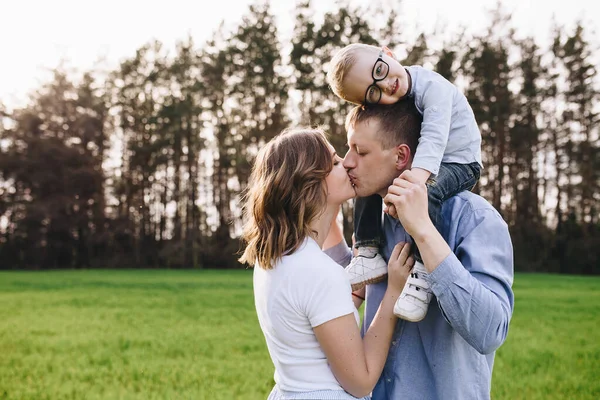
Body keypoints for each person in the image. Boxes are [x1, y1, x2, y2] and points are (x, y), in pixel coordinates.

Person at [325, 100, 514, 399]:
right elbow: (353, 286)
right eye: (348, 149)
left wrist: (424, 231)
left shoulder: (475, 219)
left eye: (360, 152)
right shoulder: (374, 223)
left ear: (401, 155)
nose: (348, 161)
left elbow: (490, 332)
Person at [239, 127, 414, 400]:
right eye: (333, 163)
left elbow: (316, 318)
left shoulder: (274, 258)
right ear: (309, 184)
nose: (346, 163)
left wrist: (356, 288)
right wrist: (393, 293)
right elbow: (361, 382)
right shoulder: (318, 272)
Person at [326, 43, 483, 322]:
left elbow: (433, 141)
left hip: (459, 162)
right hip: (425, 161)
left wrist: (414, 184)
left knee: (427, 194)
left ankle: (423, 273)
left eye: (380, 70)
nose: (387, 86)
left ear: (387, 52)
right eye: (375, 93)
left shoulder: (433, 88)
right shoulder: (396, 96)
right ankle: (368, 250)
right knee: (369, 179)